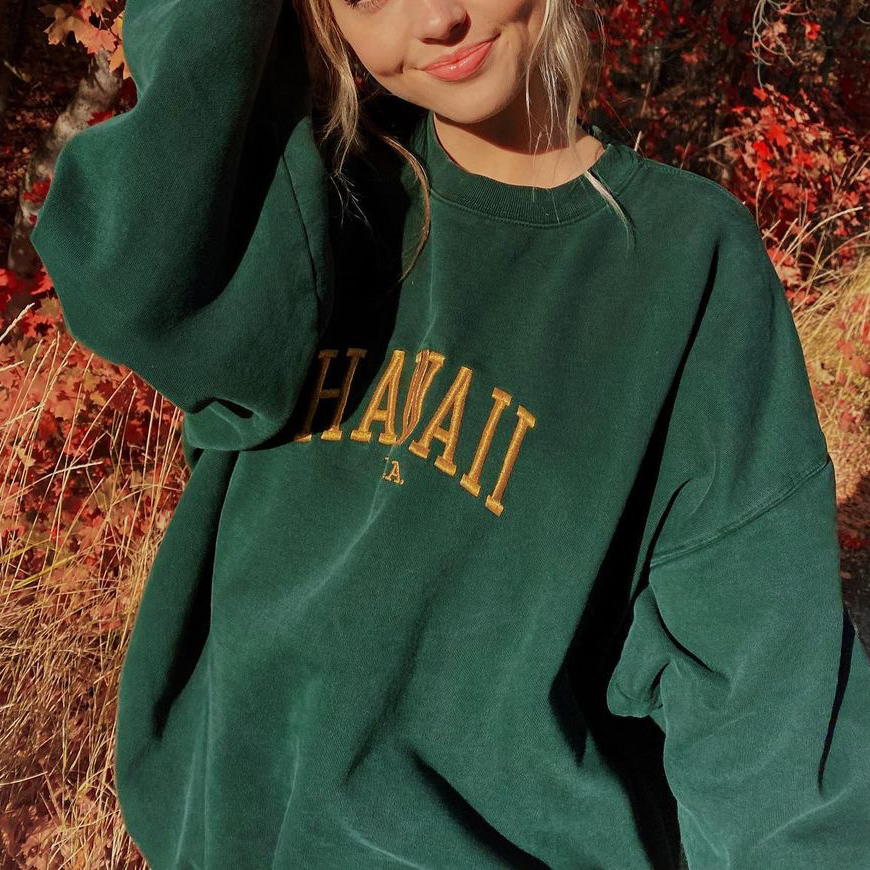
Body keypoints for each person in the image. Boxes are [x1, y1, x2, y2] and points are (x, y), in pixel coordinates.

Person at [29, 0, 870, 867]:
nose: (435, 18)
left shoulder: (682, 261)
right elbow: (122, 275)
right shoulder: (307, 203)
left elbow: (770, 715)